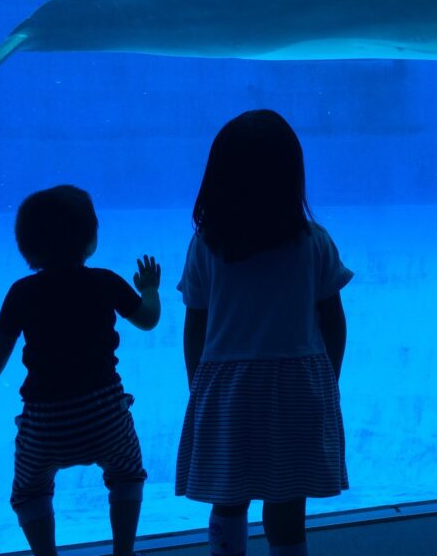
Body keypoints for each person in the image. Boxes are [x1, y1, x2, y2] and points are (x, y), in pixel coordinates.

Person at [175, 109, 351, 556]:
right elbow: (333, 319)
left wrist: (198, 384)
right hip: (298, 388)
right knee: (288, 511)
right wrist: (329, 380)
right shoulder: (314, 241)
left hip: (227, 389)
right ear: (291, 176)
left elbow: (195, 320)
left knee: (228, 500)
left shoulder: (206, 245)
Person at [0, 185, 161, 556]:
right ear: (90, 239)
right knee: (127, 474)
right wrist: (149, 290)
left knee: (30, 491)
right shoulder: (106, 281)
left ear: (27, 248)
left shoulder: (22, 293)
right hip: (104, 414)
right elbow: (148, 320)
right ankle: (124, 552)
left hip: (46, 421)